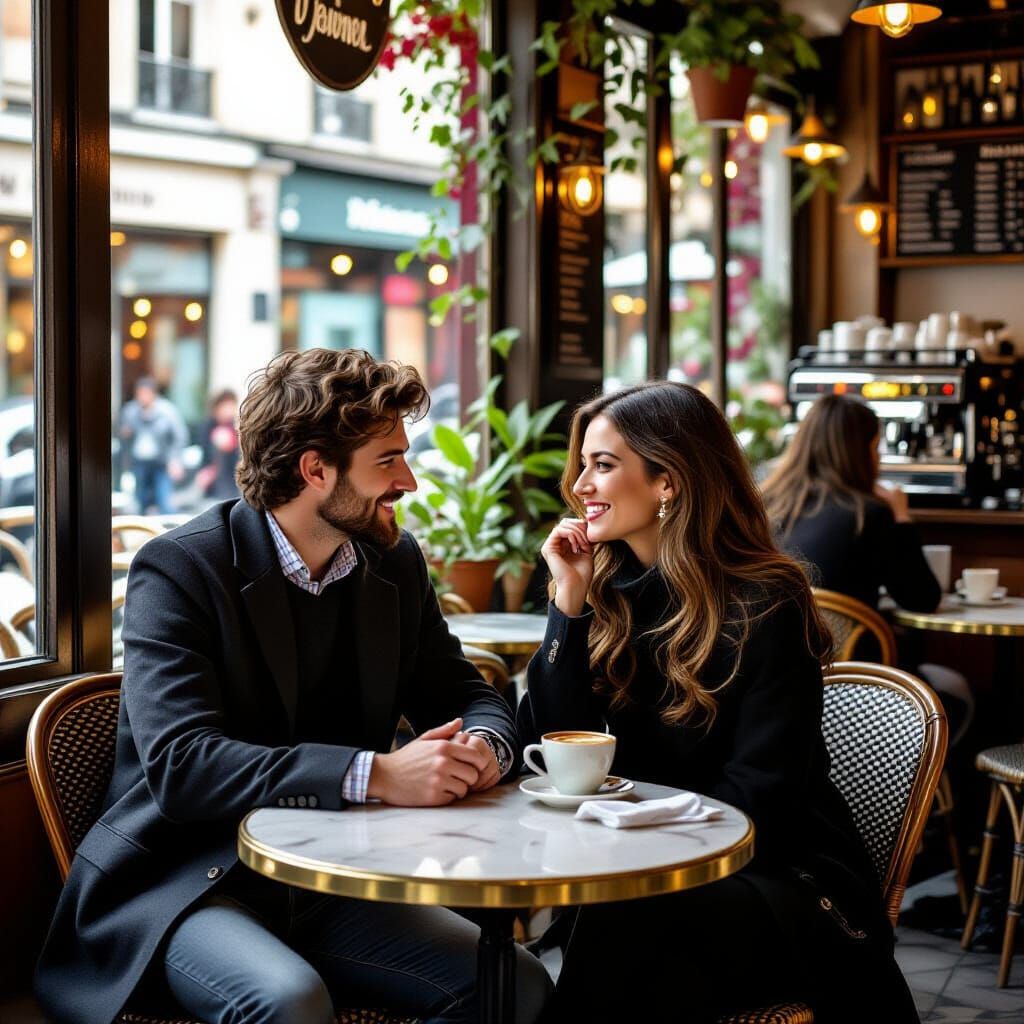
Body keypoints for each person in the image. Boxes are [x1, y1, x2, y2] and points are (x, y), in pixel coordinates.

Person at [36, 348, 552, 1024]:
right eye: (387, 461)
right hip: (187, 881)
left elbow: (463, 689)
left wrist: (485, 742)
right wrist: (377, 775)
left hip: (328, 878)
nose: (410, 482)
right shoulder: (181, 568)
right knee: (288, 1001)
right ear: (315, 469)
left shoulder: (392, 562)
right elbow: (181, 766)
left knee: (518, 985)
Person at [519, 382, 918, 1023]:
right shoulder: (609, 587)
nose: (580, 487)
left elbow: (765, 793)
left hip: (778, 879)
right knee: (620, 933)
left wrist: (632, 835)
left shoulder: (764, 601)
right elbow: (548, 746)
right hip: (654, 870)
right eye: (583, 466)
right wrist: (567, 606)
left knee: (626, 928)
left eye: (603, 465)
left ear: (667, 481)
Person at [761, 393, 972, 746]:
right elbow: (922, 598)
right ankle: (924, 796)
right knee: (958, 691)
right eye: (876, 447)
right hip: (864, 691)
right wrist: (902, 516)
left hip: (781, 689)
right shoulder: (868, 514)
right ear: (860, 452)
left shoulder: (766, 508)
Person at [118, 376, 189, 515]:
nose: (142, 398)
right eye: (139, 394)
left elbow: (180, 437)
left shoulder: (167, 411)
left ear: (153, 394)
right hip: (139, 462)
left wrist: (175, 459)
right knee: (140, 501)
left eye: (145, 393)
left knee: (164, 501)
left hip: (161, 463)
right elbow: (122, 435)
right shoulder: (130, 411)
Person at [196, 388, 241, 501]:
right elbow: (205, 456)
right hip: (212, 488)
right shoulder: (208, 427)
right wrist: (206, 471)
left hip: (232, 486)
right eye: (225, 407)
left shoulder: (238, 428)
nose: (228, 411)